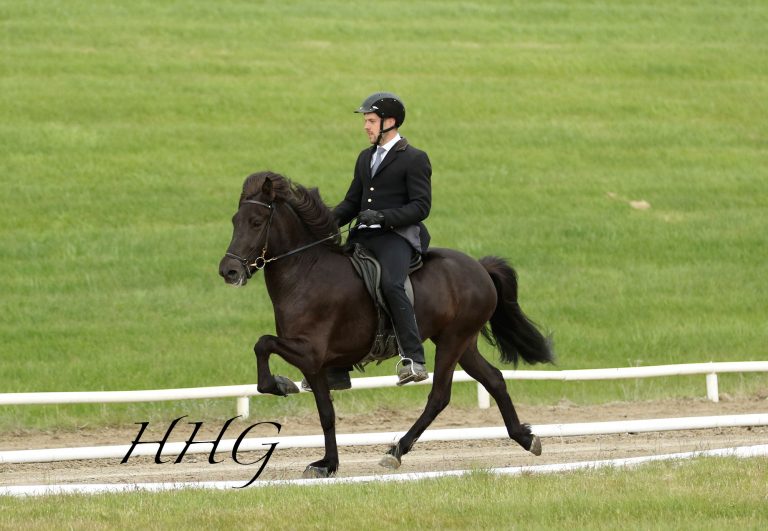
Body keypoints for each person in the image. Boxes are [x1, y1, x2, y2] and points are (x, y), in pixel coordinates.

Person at [328, 92, 432, 388]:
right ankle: (337, 366)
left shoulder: (414, 158)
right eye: (366, 121)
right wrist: (323, 223)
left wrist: (383, 217)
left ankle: (414, 359)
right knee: (337, 284)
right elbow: (352, 202)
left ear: (391, 122)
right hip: (364, 236)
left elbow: (421, 207)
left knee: (391, 284)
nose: (366, 127)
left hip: (395, 237)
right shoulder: (365, 158)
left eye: (371, 121)